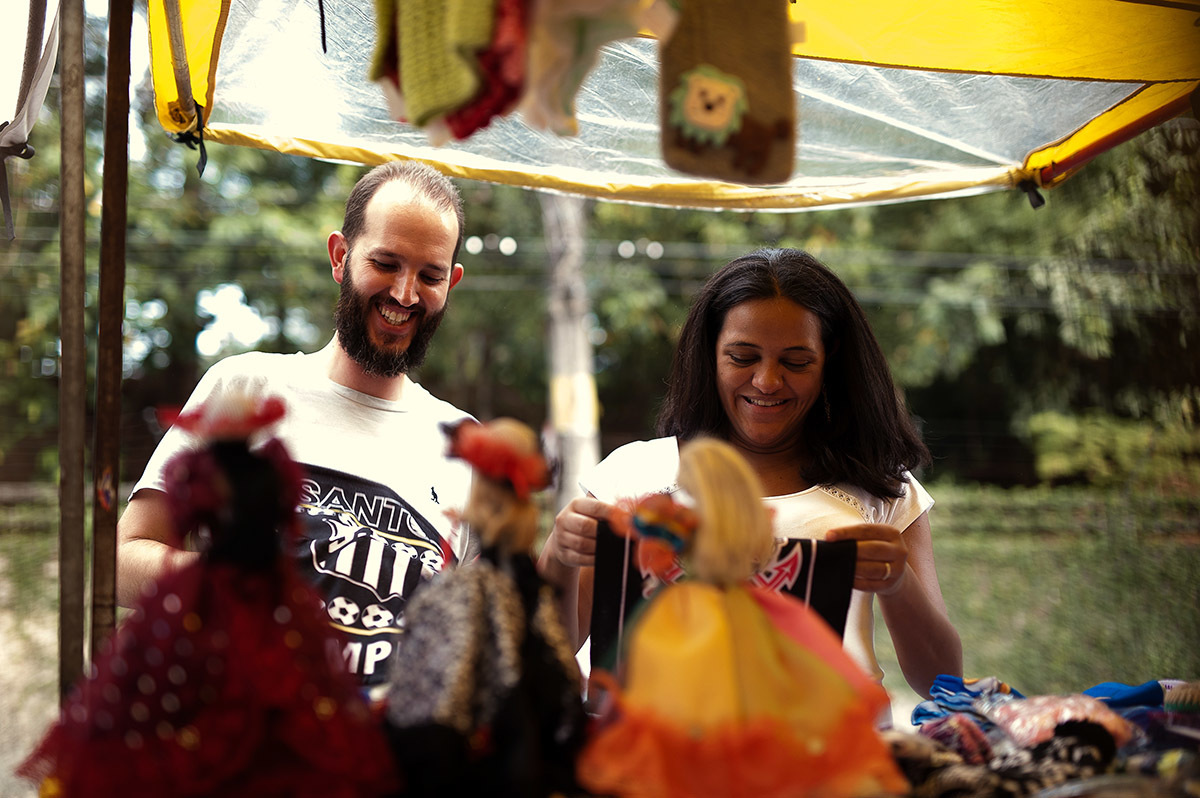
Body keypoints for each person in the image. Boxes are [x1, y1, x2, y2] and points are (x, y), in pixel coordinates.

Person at [538, 247, 963, 704]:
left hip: (828, 763)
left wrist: (897, 583)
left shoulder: (882, 489)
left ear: (830, 360)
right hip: (652, 762)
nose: (766, 381)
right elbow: (540, 656)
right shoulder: (635, 474)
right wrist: (561, 556)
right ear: (709, 352)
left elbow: (941, 680)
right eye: (742, 357)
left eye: (796, 362)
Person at [117, 160, 474, 688]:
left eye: (430, 275)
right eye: (386, 262)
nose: (404, 294)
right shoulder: (244, 389)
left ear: (452, 282)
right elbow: (124, 562)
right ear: (340, 256)